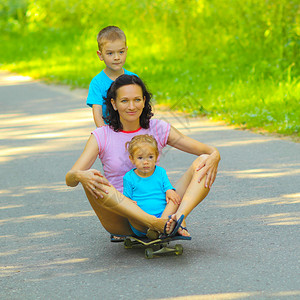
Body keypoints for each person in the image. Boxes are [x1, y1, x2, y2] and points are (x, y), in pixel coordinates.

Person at [66, 75, 220, 241]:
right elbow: (71, 178)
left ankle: (176, 220)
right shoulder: (102, 135)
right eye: (124, 101)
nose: (132, 106)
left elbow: (207, 151)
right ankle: (156, 224)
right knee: (93, 180)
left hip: (162, 208)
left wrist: (215, 156)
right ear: (113, 104)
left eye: (137, 99)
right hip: (124, 215)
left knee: (204, 160)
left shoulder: (158, 128)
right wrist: (81, 175)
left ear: (144, 101)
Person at [123, 134, 182, 238]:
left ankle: (163, 225)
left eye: (150, 157)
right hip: (142, 221)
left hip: (162, 215)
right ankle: (161, 229)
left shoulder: (160, 172)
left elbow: (168, 189)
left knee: (175, 199)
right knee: (128, 209)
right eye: (140, 158)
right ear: (132, 159)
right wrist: (129, 203)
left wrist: (169, 190)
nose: (146, 162)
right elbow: (126, 198)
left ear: (156, 156)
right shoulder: (129, 177)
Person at [86, 25, 137, 127]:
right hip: (109, 132)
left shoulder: (133, 78)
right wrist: (105, 136)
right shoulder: (97, 82)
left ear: (126, 51)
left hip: (131, 130)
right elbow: (98, 113)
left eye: (121, 52)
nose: (117, 57)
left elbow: (140, 107)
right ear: (100, 55)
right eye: (110, 53)